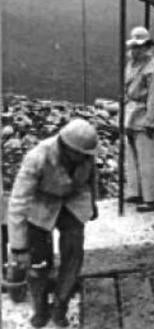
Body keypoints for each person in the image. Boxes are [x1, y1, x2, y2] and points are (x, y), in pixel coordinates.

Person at [7, 118, 98, 328]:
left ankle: (60, 304)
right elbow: (19, 202)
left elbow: (92, 178)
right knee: (38, 261)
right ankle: (40, 306)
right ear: (66, 148)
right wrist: (19, 246)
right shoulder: (37, 157)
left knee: (74, 254)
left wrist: (92, 204)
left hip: (73, 201)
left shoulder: (85, 154)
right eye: (80, 154)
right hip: (42, 203)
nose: (84, 158)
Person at [124, 26, 154, 212]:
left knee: (148, 159)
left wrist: (151, 121)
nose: (135, 50)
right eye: (134, 47)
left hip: (145, 115)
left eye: (139, 47)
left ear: (147, 46)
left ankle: (151, 198)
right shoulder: (131, 65)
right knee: (132, 157)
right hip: (132, 113)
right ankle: (135, 191)